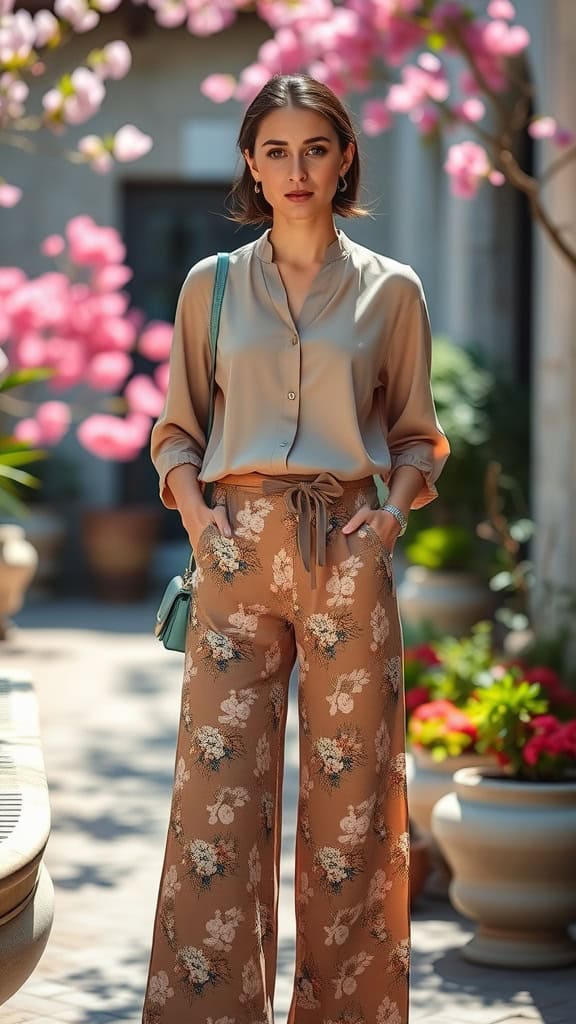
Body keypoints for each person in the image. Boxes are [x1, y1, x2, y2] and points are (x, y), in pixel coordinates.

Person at [142, 73, 449, 1024]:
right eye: (274, 150)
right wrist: (200, 523)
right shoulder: (214, 284)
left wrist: (391, 518)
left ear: (344, 155)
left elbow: (416, 434)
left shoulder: (392, 289)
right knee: (214, 812)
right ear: (250, 164)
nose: (296, 168)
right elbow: (176, 431)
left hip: (348, 554)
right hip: (233, 557)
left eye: (314, 147)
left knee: (352, 814)